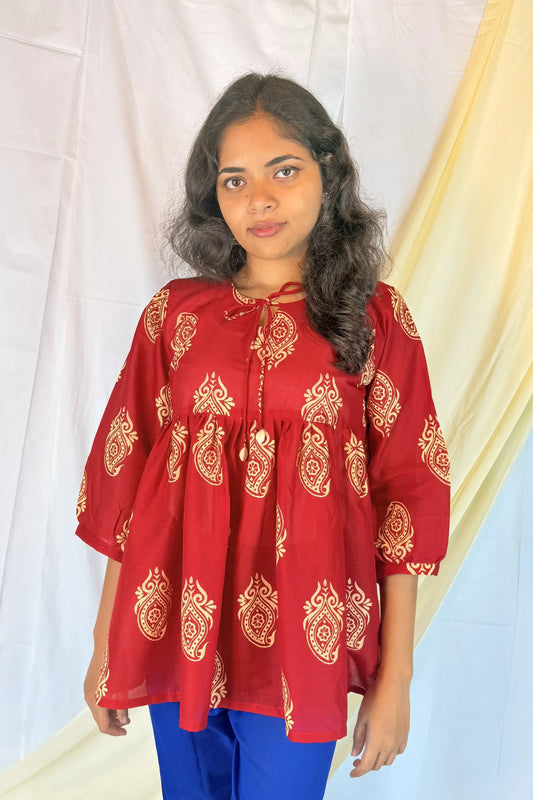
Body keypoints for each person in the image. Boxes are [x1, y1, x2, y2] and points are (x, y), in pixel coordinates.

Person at [78, 72, 450, 799]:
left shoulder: (372, 318)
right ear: (212, 195)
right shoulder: (175, 316)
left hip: (303, 645)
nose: (260, 199)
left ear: (328, 173)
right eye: (234, 180)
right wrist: (105, 647)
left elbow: (406, 496)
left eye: (284, 170)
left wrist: (395, 678)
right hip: (176, 626)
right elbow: (126, 484)